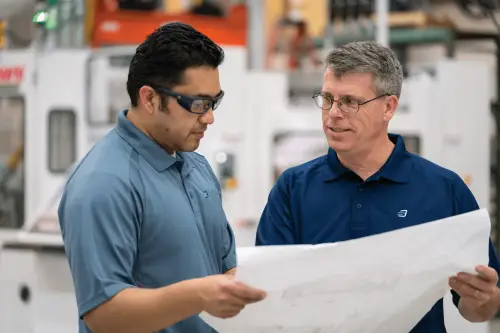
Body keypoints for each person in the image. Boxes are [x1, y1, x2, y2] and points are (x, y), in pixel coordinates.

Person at [255, 41, 500, 332]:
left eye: (350, 101)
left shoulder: (444, 190)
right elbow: (267, 297)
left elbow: (476, 310)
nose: (333, 113)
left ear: (388, 107)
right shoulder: (293, 188)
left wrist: (484, 299)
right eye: (327, 98)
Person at [58, 22, 266, 333]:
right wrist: (197, 296)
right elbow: (104, 314)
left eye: (213, 102)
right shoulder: (104, 184)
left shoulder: (196, 168)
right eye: (198, 104)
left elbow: (226, 268)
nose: (209, 117)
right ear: (150, 99)